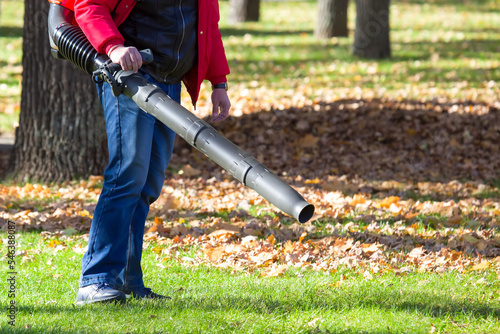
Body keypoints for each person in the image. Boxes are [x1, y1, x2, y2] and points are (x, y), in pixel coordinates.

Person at [72, 0, 231, 304]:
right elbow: (89, 5)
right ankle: (96, 280)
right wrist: (114, 47)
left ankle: (128, 281)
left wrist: (219, 81)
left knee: (147, 183)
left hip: (169, 83)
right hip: (128, 79)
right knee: (127, 174)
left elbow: (208, 26)